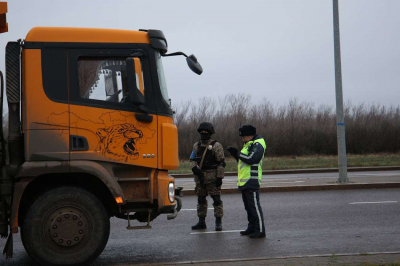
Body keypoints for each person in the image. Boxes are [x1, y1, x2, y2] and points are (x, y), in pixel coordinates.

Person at [227, 125, 266, 238]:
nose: (242, 139)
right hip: (245, 181)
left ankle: (260, 230)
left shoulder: (258, 144)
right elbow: (243, 161)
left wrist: (237, 153)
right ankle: (252, 227)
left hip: (251, 180)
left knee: (254, 207)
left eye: (243, 136)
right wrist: (235, 154)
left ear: (250, 135)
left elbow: (252, 159)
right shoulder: (248, 144)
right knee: (248, 207)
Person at [190, 122, 226, 231]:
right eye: (202, 132)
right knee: (201, 200)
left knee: (216, 200)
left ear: (210, 133)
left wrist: (219, 177)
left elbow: (221, 163)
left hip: (213, 177)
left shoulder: (216, 146)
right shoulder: (196, 145)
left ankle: (218, 222)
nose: (203, 134)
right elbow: (192, 159)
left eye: (205, 133)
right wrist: (194, 168)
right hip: (200, 178)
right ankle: (201, 222)